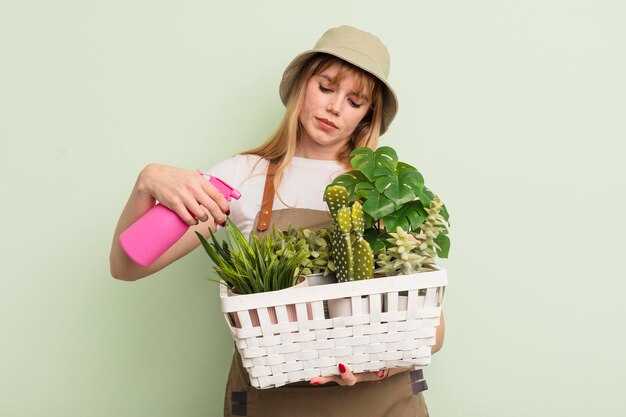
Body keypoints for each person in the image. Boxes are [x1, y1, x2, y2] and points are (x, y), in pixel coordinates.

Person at [110, 25, 444, 417]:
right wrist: (146, 181)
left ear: (368, 115)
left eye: (354, 101)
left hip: (382, 403)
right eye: (326, 87)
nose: (335, 108)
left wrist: (373, 367)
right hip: (276, 403)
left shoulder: (386, 190)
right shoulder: (241, 177)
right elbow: (128, 266)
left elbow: (432, 332)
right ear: (302, 85)